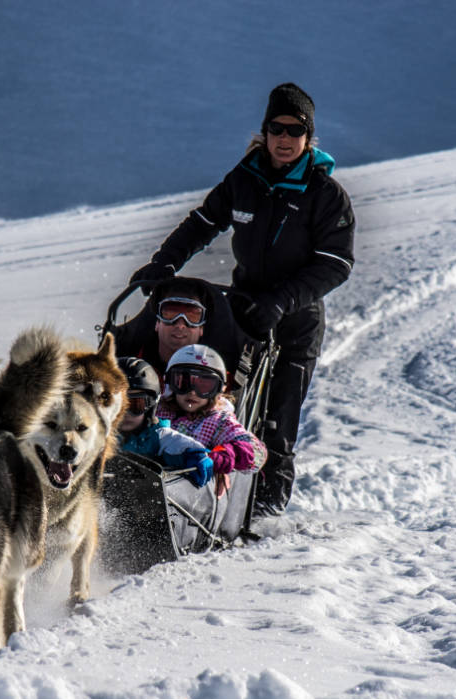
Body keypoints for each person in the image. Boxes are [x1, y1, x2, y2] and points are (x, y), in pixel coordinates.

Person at [129, 82, 355, 516]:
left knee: (277, 421)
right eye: (277, 128)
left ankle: (264, 516)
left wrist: (282, 301)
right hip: (242, 314)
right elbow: (202, 223)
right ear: (265, 130)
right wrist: (164, 264)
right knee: (215, 398)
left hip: (295, 321)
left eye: (295, 130)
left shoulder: (325, 194)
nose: (284, 139)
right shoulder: (244, 179)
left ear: (309, 137)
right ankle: (197, 499)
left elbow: (335, 263)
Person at [155, 344, 267, 481]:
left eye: (203, 386)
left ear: (217, 390)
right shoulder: (156, 409)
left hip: (186, 491)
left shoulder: (218, 421)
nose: (192, 392)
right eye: (183, 382)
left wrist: (224, 455)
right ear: (170, 382)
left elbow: (257, 452)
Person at [112, 275, 245, 384]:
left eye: (192, 316)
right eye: (170, 314)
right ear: (157, 323)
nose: (180, 325)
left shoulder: (216, 375)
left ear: (201, 328)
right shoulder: (127, 368)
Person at [116, 356, 214, 487]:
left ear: (150, 405)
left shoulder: (158, 436)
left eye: (136, 404)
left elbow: (180, 445)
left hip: (143, 498)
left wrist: (196, 456)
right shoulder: (95, 434)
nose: (125, 413)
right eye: (117, 405)